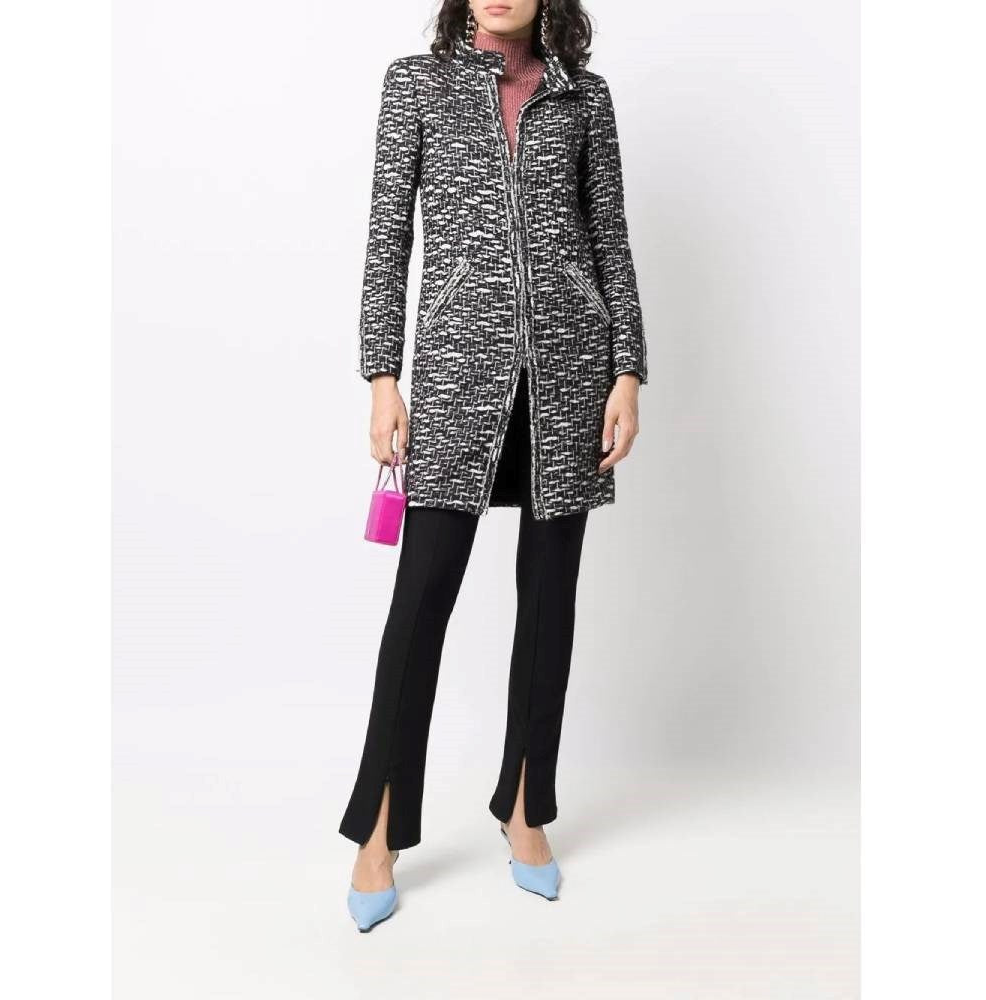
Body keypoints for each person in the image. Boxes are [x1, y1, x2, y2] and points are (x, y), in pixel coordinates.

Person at [341, 0, 647, 932]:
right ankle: (379, 830)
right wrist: (383, 378)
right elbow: (388, 239)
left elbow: (610, 238)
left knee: (549, 605)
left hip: (568, 375)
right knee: (419, 607)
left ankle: (525, 807)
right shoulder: (416, 84)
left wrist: (627, 369)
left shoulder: (585, 97)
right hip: (457, 376)